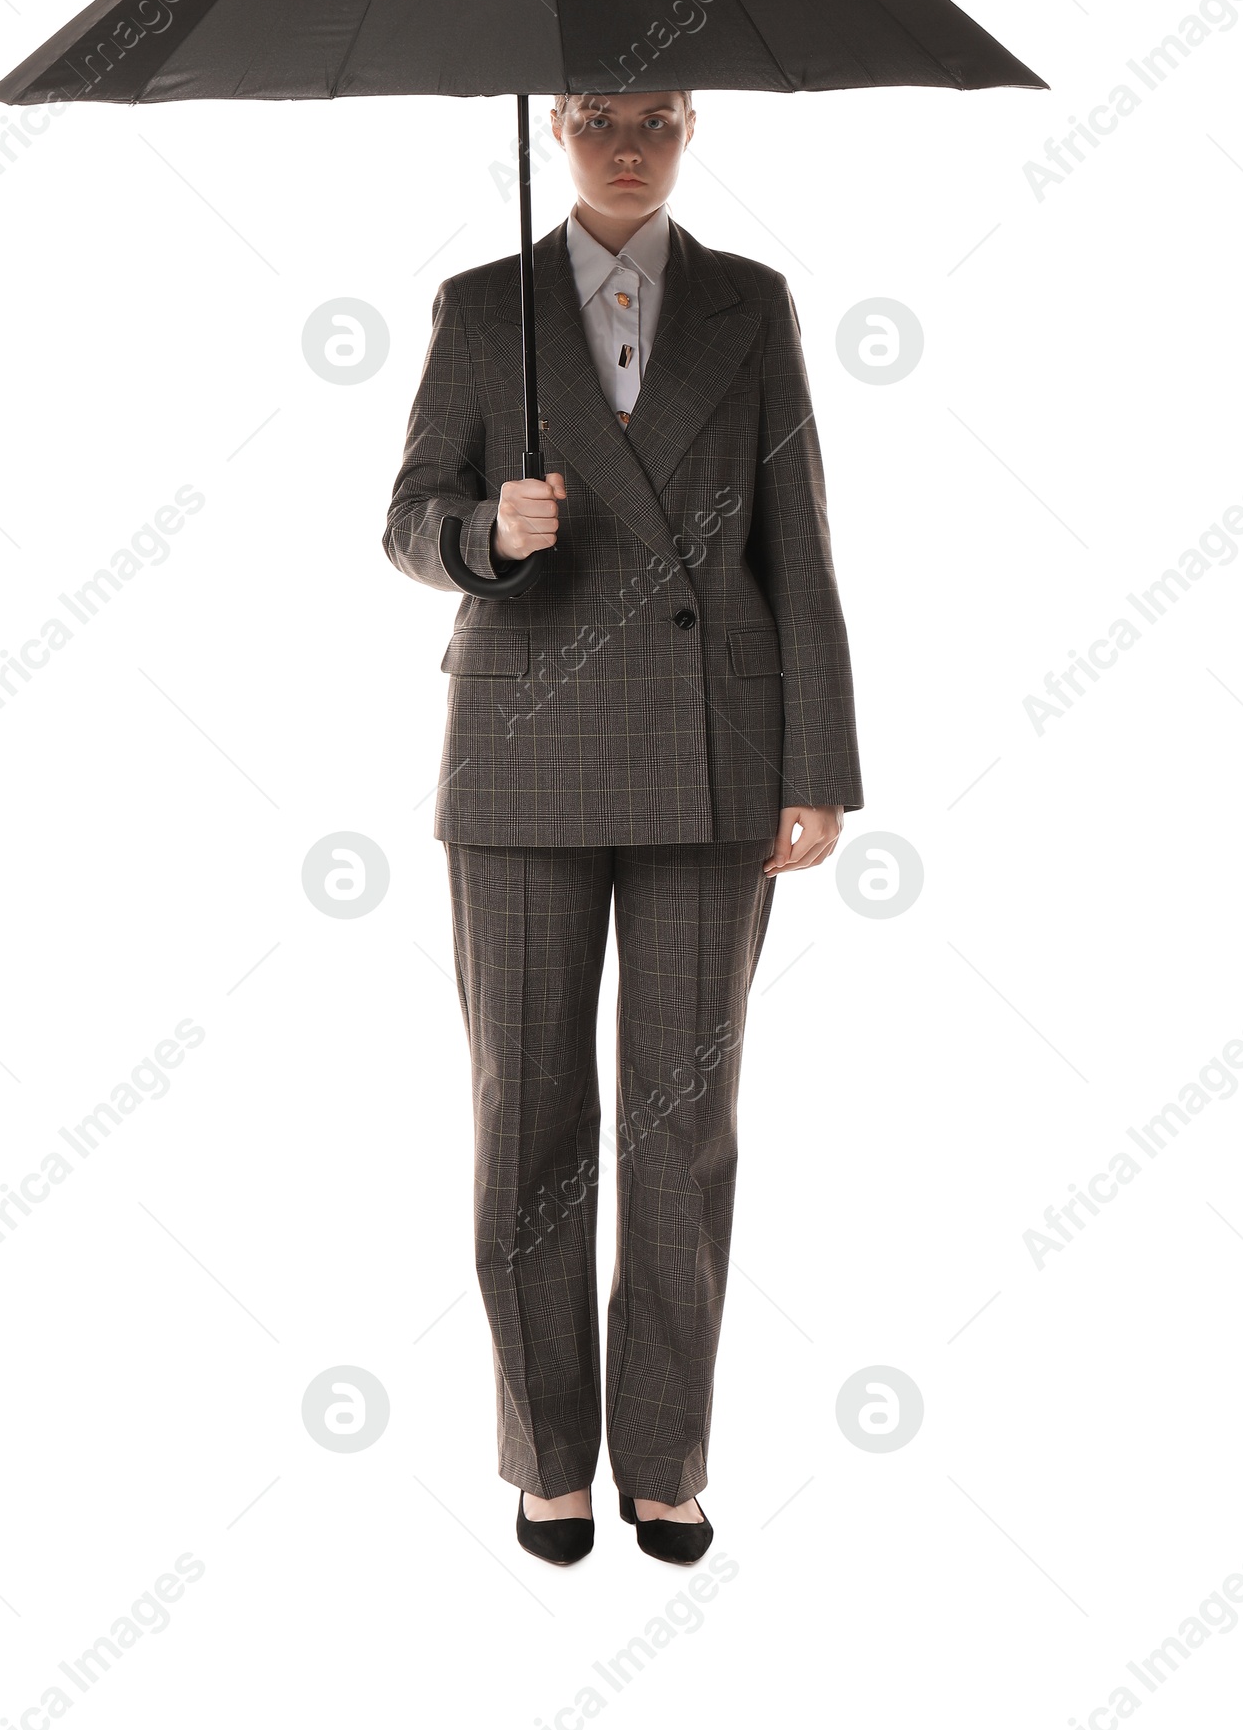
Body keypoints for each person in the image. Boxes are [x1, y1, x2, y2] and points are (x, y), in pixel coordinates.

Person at [383, 88, 862, 1566]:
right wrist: (486, 536)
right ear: (555, 130)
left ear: (694, 122)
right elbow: (407, 516)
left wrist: (819, 764)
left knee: (680, 1122)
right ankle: (549, 1458)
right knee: (525, 1111)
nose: (626, 142)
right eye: (595, 114)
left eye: (654, 114)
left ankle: (663, 1456)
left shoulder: (753, 304)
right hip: (523, 749)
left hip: (713, 755)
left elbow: (799, 537)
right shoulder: (482, 309)